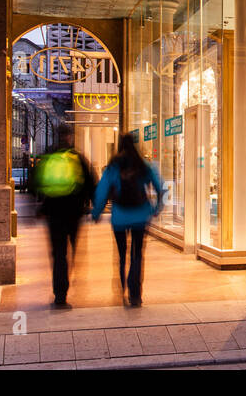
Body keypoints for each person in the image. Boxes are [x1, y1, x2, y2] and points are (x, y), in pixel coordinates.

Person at [92, 133, 164, 307]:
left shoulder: (113, 167)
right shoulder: (144, 165)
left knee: (122, 254)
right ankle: (135, 293)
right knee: (137, 254)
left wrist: (97, 212)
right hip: (140, 216)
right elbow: (160, 187)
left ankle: (122, 285)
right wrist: (155, 208)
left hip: (119, 217)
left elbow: (102, 191)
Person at [34, 123, 97, 309]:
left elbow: (35, 183)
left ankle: (60, 293)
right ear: (69, 137)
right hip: (74, 212)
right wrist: (93, 206)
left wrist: (40, 207)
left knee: (58, 253)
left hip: (53, 213)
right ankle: (69, 273)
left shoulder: (47, 157)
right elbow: (92, 182)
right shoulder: (77, 158)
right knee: (72, 248)